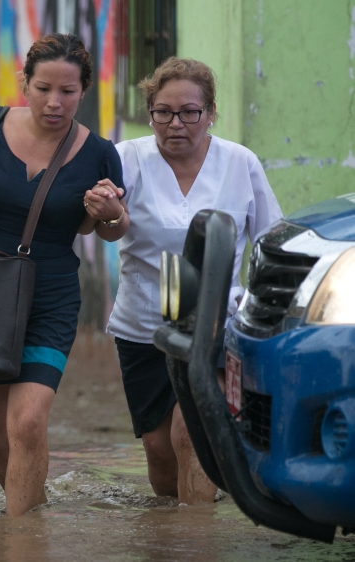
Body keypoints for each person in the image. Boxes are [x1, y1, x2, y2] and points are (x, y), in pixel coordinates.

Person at [0, 33, 128, 516]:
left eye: (68, 92)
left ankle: (20, 539)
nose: (55, 103)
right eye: (43, 89)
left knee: (28, 422)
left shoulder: (99, 153)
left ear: (84, 91)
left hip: (49, 297)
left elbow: (112, 232)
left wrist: (111, 211)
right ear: (25, 84)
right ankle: (32, 521)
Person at [104, 57, 282, 504]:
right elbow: (106, 226)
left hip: (217, 323)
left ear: (211, 113)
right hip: (144, 325)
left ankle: (196, 539)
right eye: (163, 111)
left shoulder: (239, 163)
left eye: (189, 112)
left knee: (193, 435)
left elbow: (269, 243)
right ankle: (172, 534)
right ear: (150, 113)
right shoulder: (126, 158)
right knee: (160, 452)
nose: (175, 123)